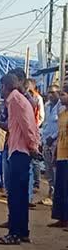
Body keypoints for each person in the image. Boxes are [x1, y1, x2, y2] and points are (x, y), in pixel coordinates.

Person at [0, 72, 40, 245]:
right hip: (20, 150)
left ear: (6, 86)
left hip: (20, 151)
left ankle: (14, 233)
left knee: (15, 195)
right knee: (20, 195)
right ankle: (22, 231)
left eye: (0, 86)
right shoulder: (19, 99)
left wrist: (33, 146)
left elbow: (28, 126)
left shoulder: (15, 100)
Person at [49, 86, 68, 228]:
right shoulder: (62, 111)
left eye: (63, 94)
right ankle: (61, 217)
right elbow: (60, 132)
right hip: (61, 151)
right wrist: (55, 152)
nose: (61, 97)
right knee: (60, 186)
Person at [41, 84, 62, 205]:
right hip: (46, 142)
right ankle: (51, 192)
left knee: (55, 169)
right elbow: (45, 124)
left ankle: (56, 196)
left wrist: (53, 138)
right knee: (48, 169)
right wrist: (43, 139)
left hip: (56, 142)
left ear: (58, 93)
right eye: (49, 92)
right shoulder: (47, 106)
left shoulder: (61, 107)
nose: (50, 95)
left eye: (53, 92)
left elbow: (62, 127)